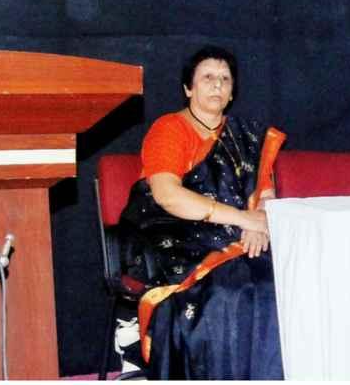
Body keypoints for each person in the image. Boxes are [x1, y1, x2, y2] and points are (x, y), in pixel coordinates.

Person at [119, 45, 286, 379]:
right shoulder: (170, 129)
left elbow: (265, 195)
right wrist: (244, 219)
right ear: (188, 88)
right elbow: (168, 196)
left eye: (225, 79)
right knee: (227, 294)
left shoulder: (246, 136)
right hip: (179, 239)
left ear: (232, 92)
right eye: (208, 77)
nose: (217, 85)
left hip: (240, 239)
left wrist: (258, 224)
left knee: (279, 284)